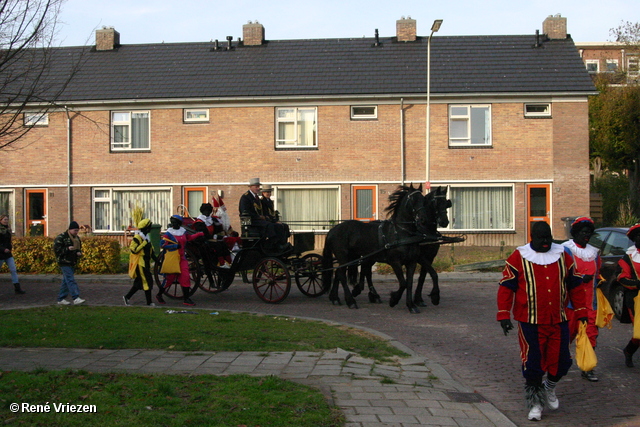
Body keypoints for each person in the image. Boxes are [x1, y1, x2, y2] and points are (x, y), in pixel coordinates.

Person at [497, 221, 586, 421]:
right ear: (532, 238)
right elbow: (506, 288)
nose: (546, 242)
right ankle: (535, 403)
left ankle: (550, 387)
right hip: (529, 321)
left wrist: (581, 311)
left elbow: (575, 286)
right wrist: (503, 314)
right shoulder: (518, 257)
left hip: (558, 319)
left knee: (563, 360)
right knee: (533, 362)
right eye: (541, 238)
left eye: (548, 237)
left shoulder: (564, 256)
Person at [561, 217, 602, 381]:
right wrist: (578, 278)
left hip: (589, 302)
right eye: (583, 232)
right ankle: (557, 364)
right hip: (571, 302)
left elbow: (598, 275)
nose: (586, 235)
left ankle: (588, 367)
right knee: (567, 334)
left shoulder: (594, 253)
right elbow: (561, 274)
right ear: (576, 233)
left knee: (591, 334)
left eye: (589, 233)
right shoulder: (566, 250)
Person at [156, 215, 204, 306]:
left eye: (174, 222)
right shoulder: (168, 233)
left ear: (179, 223)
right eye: (172, 221)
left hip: (182, 258)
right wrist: (174, 246)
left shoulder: (183, 232)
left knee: (185, 277)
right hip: (173, 259)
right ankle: (159, 295)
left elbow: (189, 238)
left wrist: (198, 234)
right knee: (169, 279)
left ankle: (186, 299)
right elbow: (162, 245)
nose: (172, 224)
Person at [616, 223, 640, 368]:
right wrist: (637, 284)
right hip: (635, 298)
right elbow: (621, 277)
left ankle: (629, 350)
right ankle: (629, 351)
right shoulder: (629, 257)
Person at [124, 219, 157, 306]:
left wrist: (157, 261)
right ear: (146, 228)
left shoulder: (147, 237)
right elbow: (133, 250)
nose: (151, 228)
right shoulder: (137, 238)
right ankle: (149, 302)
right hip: (140, 263)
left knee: (139, 283)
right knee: (147, 281)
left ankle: (127, 297)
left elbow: (151, 251)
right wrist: (143, 244)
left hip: (146, 262)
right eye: (149, 226)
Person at [53, 221, 85, 305]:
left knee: (66, 280)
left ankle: (61, 299)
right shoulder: (61, 237)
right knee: (70, 279)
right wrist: (67, 249)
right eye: (75, 230)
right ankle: (76, 297)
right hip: (64, 262)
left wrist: (78, 252)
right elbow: (57, 250)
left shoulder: (76, 238)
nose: (76, 232)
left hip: (72, 262)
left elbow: (78, 248)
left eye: (77, 230)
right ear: (70, 230)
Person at [0, 214, 25, 294]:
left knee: (13, 269)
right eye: (5, 220)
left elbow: (8, 241)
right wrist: (3, 249)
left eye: (7, 219)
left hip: (8, 253)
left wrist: (9, 248)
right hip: (0, 253)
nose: (6, 221)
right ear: (1, 220)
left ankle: (17, 288)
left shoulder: (8, 230)